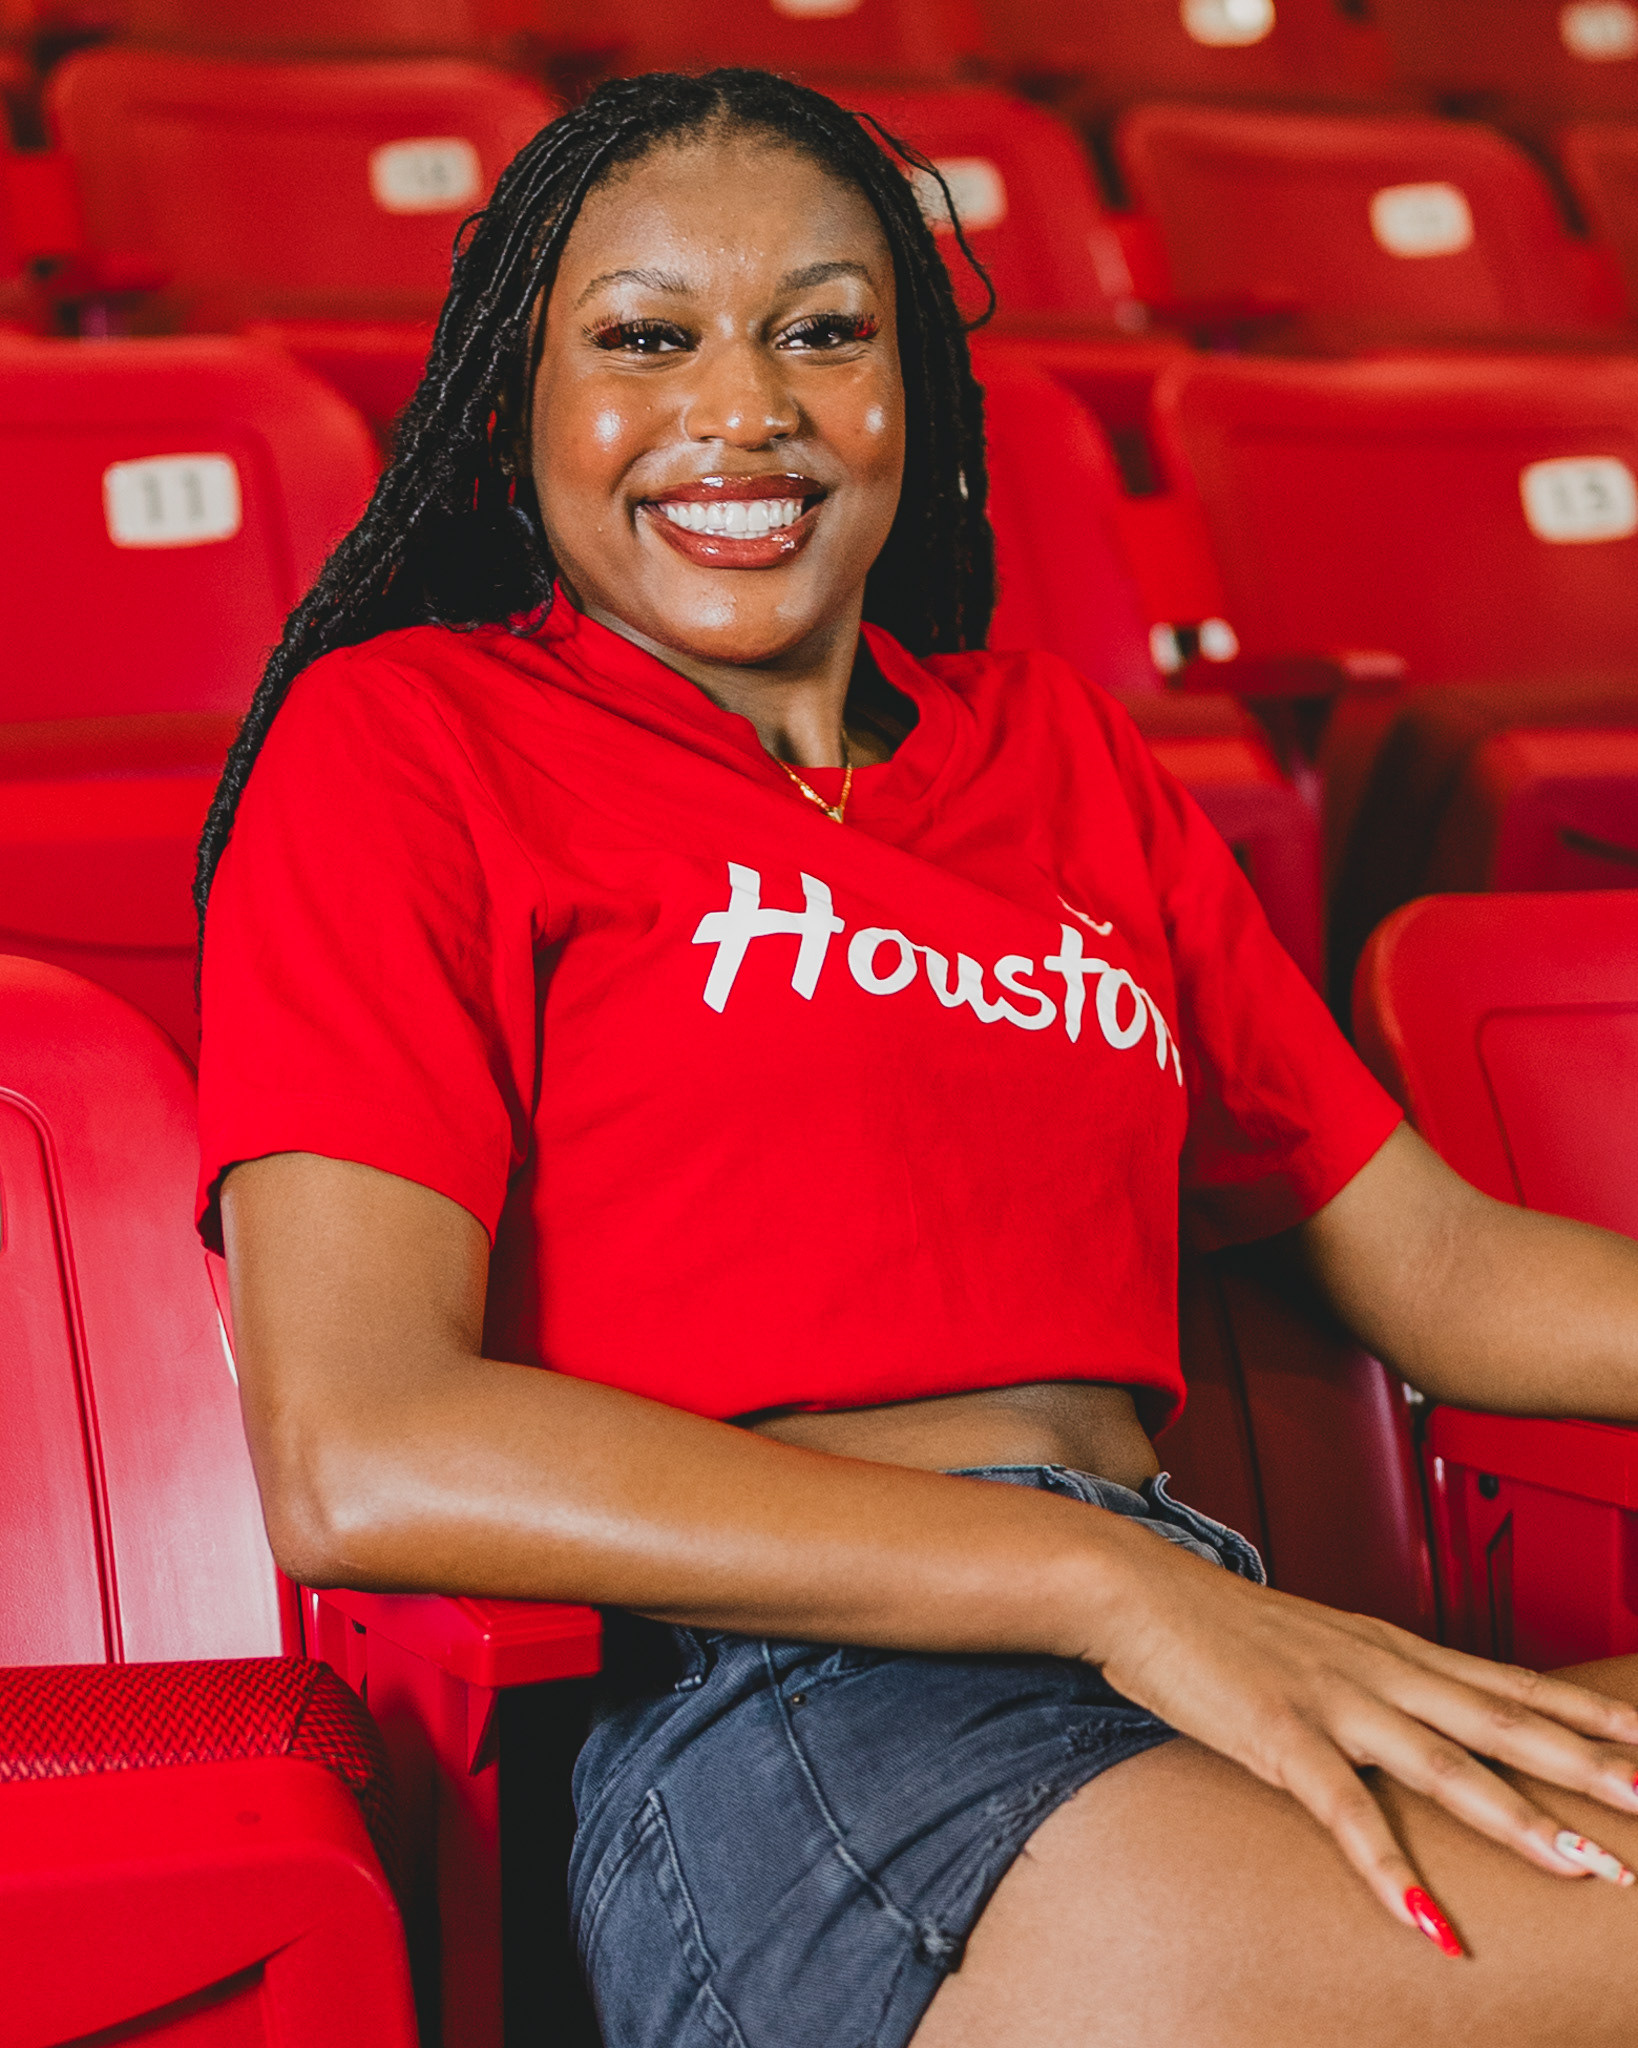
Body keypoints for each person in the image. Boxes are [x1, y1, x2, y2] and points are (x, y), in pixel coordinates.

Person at [194, 68, 1638, 2048]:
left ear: (909, 397)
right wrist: (1093, 1583)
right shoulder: (404, 742)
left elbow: (1441, 1268)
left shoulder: (1062, 756)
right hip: (794, 1709)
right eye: (644, 340)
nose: (743, 406)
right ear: (511, 412)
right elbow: (362, 1446)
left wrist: (1143, 1595)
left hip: (1186, 1641)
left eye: (820, 333)